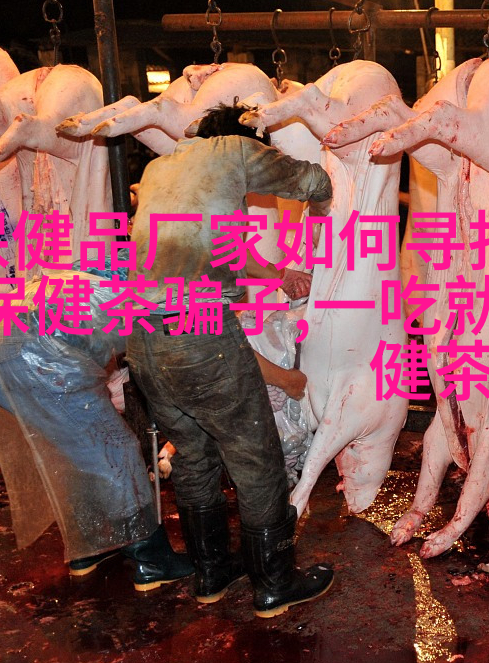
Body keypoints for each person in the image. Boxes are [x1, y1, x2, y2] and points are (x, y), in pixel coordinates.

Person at [125, 103, 334, 618]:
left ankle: (211, 573)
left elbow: (218, 252)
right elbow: (310, 179)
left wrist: (279, 274)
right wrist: (323, 203)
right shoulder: (236, 150)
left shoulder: (160, 170)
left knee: (194, 457)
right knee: (256, 458)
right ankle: (275, 583)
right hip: (201, 335)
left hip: (144, 339)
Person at [0, 265, 195, 590]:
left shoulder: (100, 272)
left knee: (76, 451)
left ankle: (90, 546)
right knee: (117, 449)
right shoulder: (149, 294)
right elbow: (162, 351)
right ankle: (151, 559)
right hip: (37, 359)